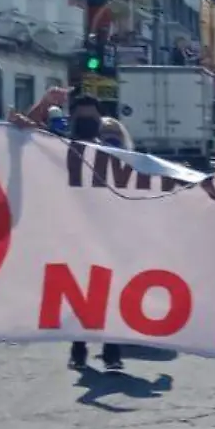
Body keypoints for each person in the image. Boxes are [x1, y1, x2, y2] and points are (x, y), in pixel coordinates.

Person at [65, 94, 124, 374]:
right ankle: (78, 350)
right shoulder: (55, 147)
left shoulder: (111, 152)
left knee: (110, 295)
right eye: (81, 118)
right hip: (73, 236)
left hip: (107, 235)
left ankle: (112, 351)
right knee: (79, 298)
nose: (87, 123)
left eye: (92, 118)